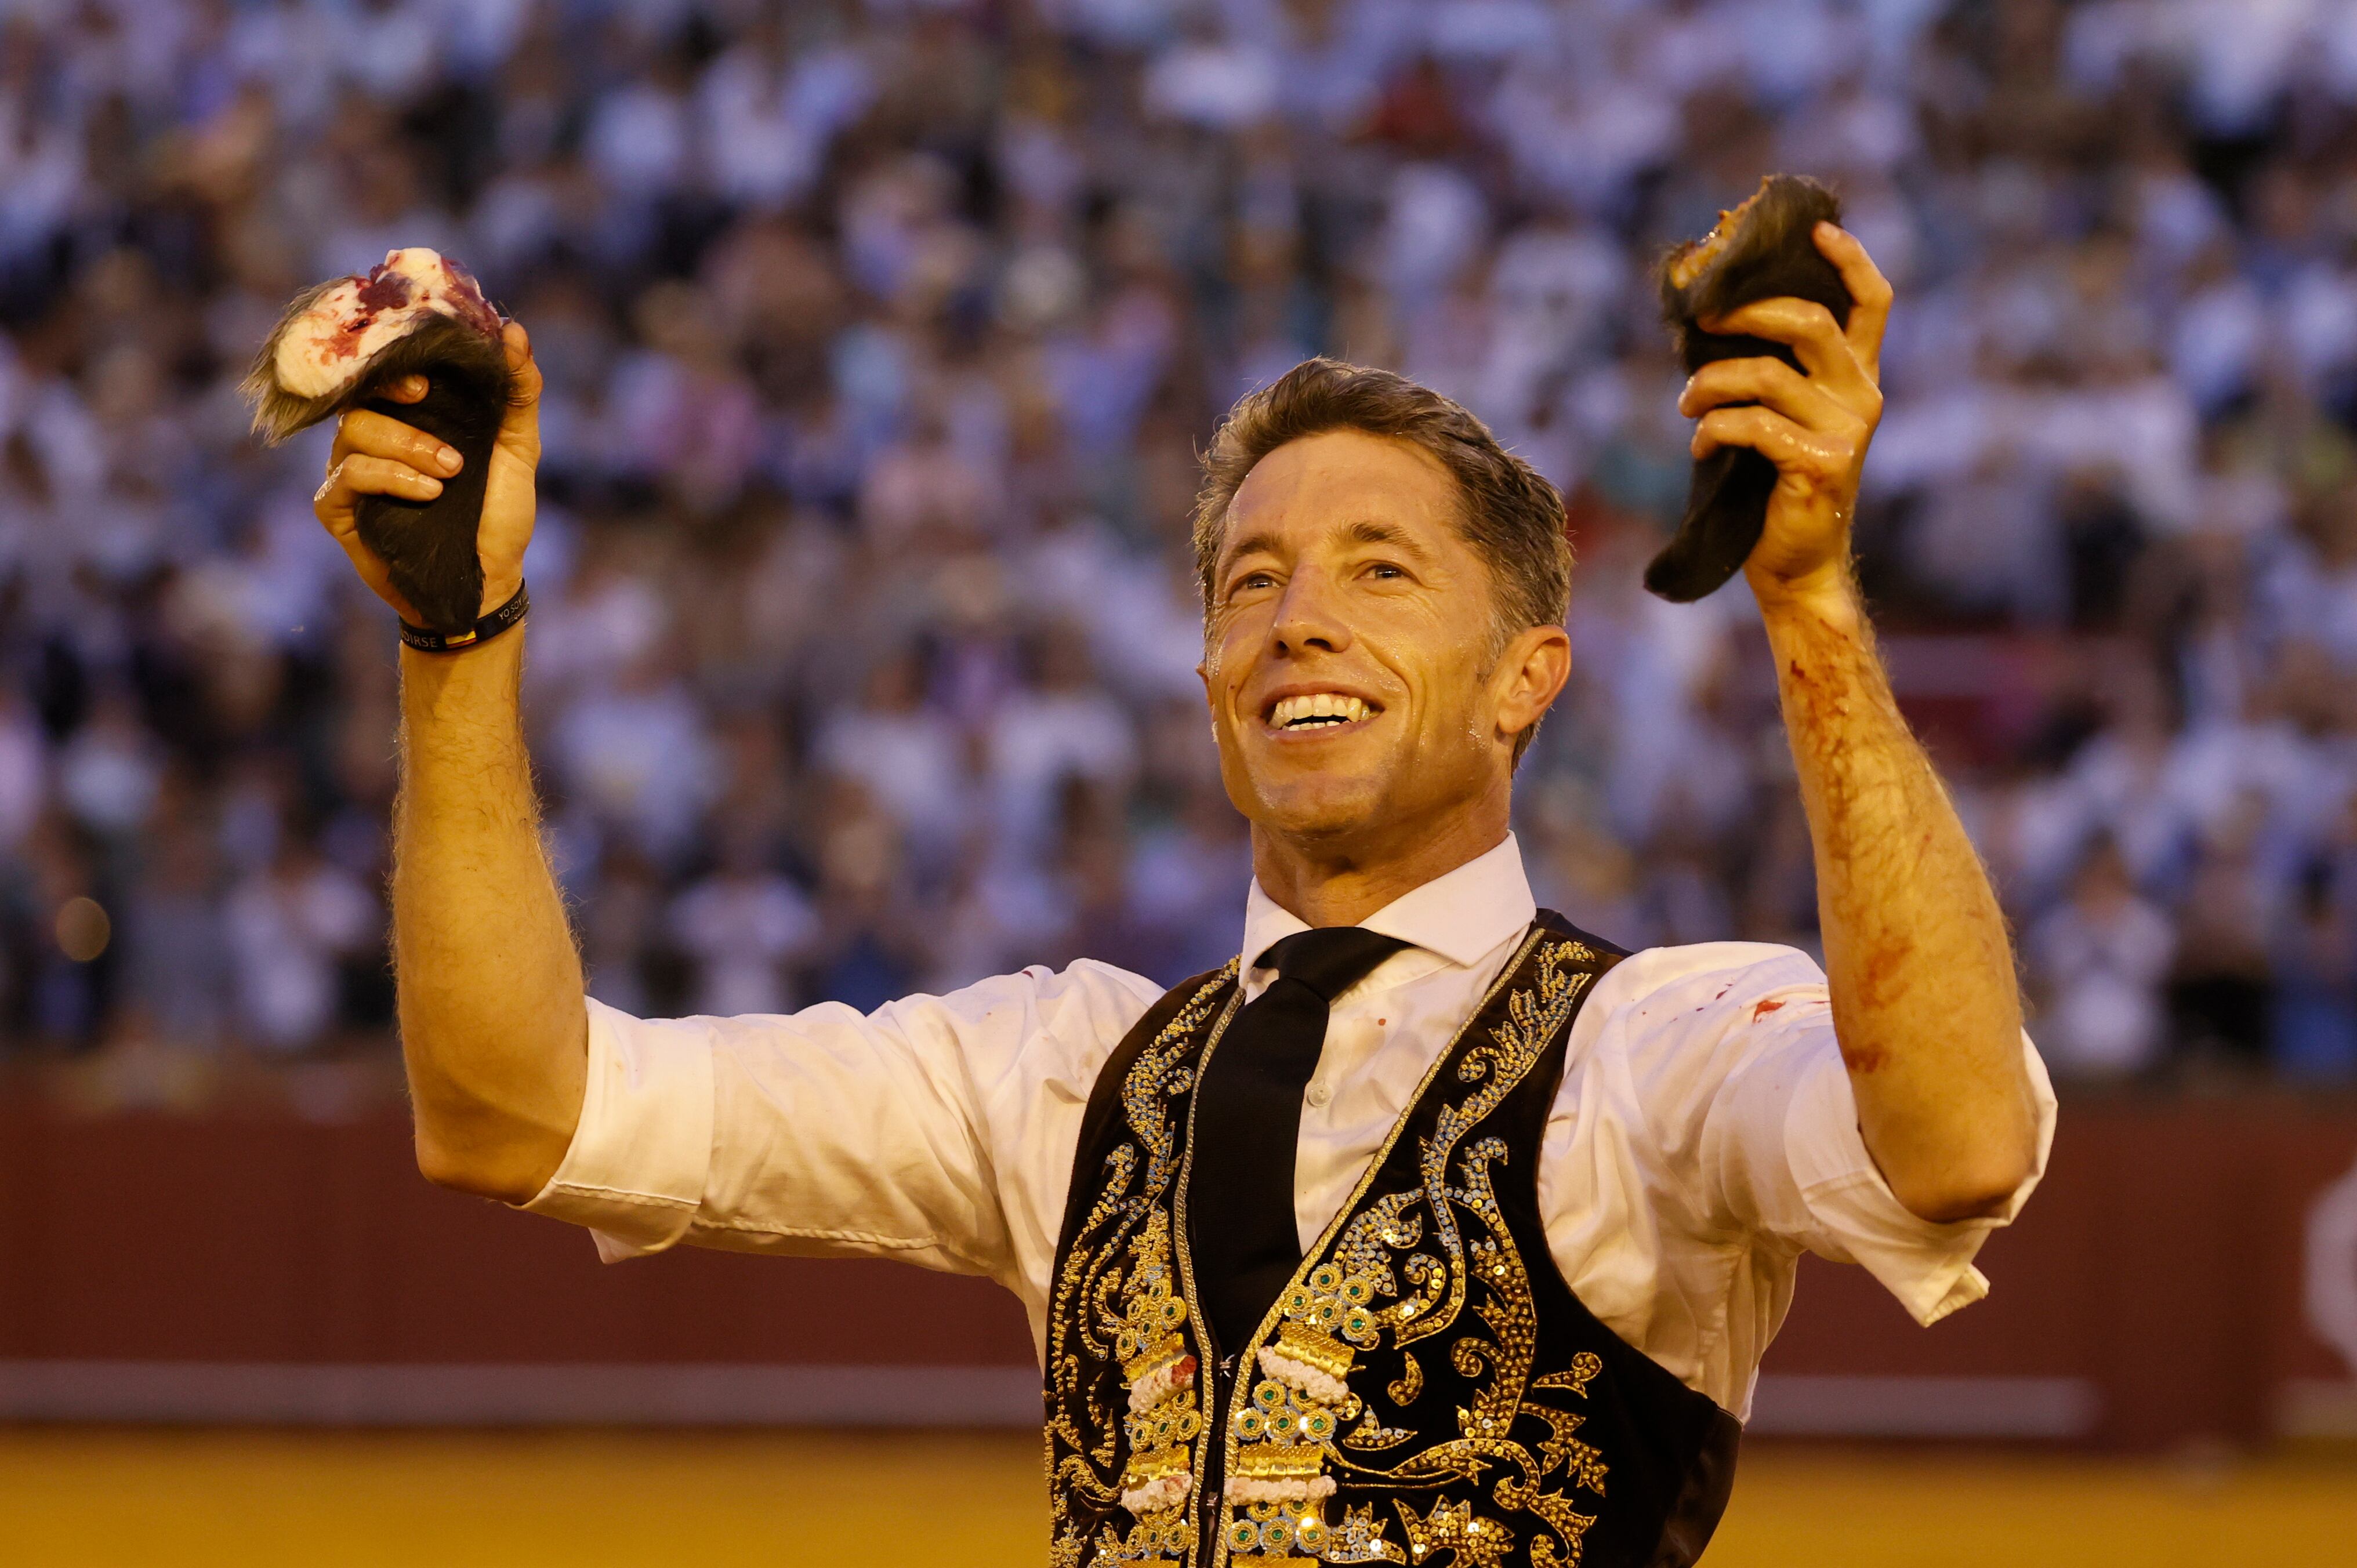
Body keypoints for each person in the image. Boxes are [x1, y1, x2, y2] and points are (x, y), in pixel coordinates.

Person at [311, 223, 2051, 1567]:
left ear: (1531, 675)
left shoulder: (1648, 1049)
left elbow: (1959, 1140)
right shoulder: (1063, 1070)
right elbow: (511, 1107)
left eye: (1382, 571)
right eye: (1252, 581)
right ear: (1212, 667)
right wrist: (457, 642)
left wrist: (1811, 603)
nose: (1298, 619)